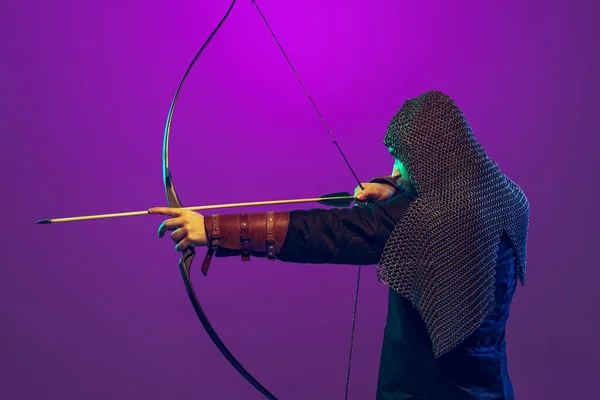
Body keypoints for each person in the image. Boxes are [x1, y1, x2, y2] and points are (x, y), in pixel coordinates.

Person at [150, 90, 530, 399]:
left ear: (430, 156)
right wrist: (398, 188)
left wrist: (210, 229)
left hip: (424, 391)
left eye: (401, 160)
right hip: (491, 386)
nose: (395, 168)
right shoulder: (509, 199)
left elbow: (323, 231)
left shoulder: (422, 220)